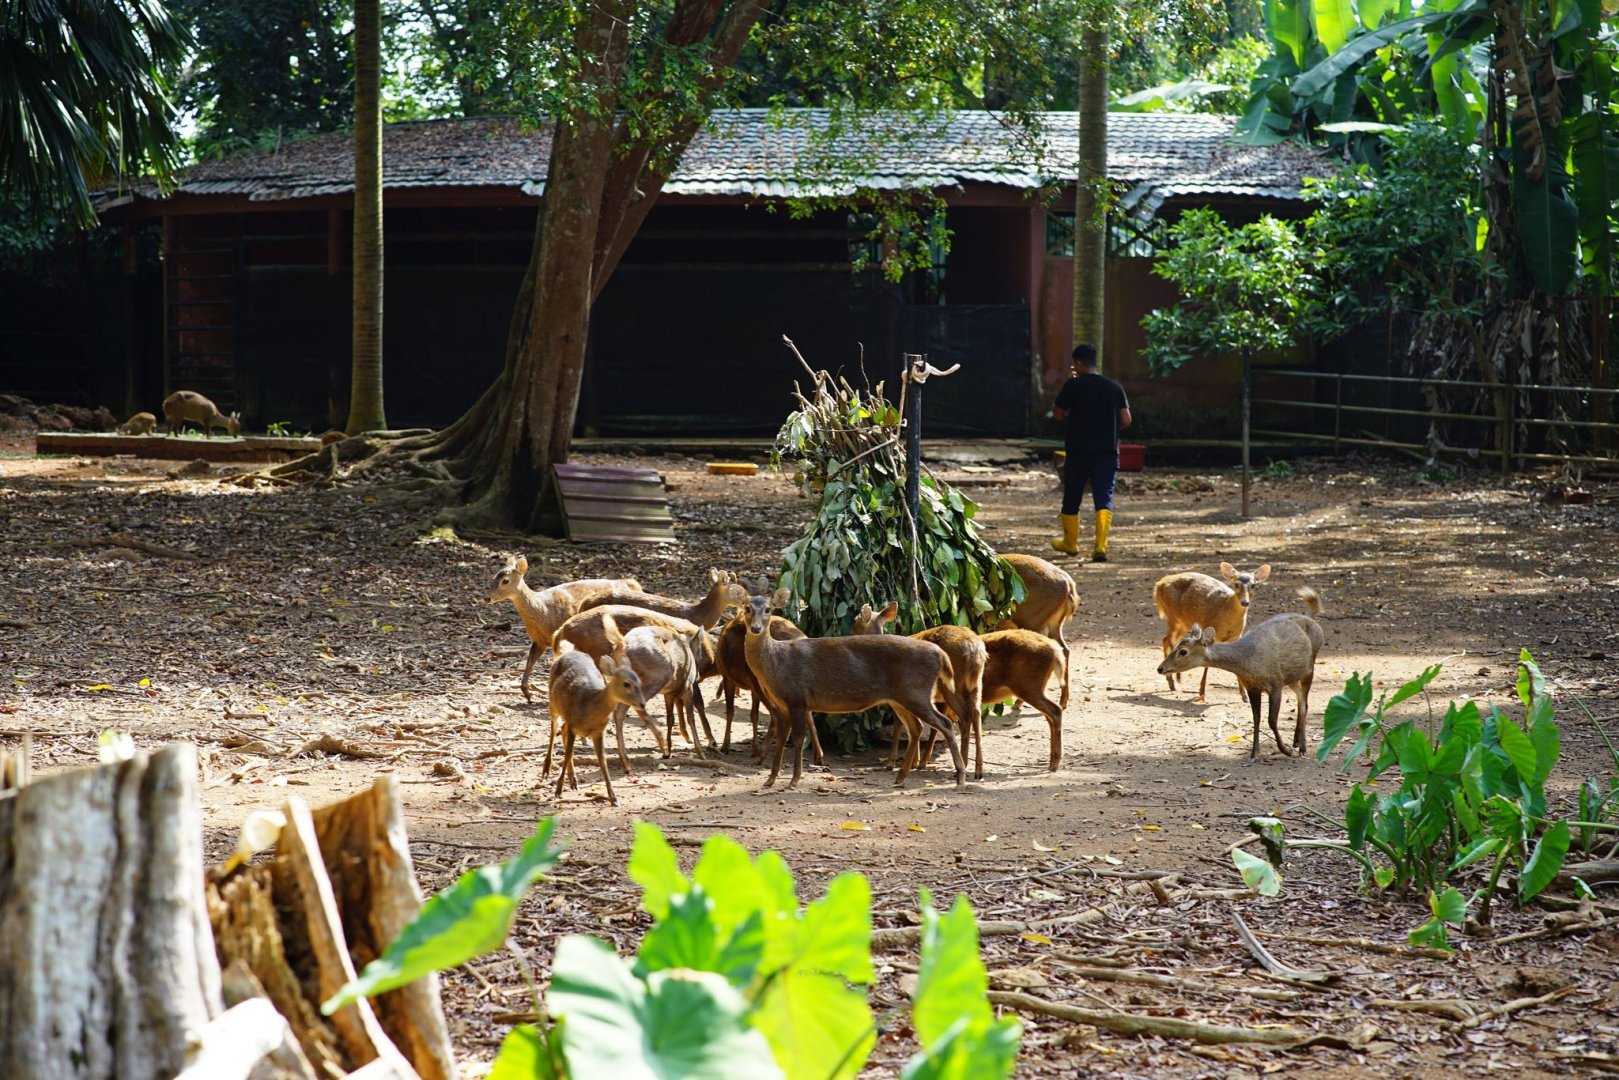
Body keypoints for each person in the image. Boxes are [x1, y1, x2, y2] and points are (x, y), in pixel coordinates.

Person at [1050, 343, 1132, 562]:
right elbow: (1126, 420)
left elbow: (1057, 414)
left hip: (1078, 452)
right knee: (1103, 497)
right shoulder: (1114, 387)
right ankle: (1101, 546)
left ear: (1078, 363)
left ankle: (1070, 543)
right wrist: (1107, 427)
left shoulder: (1073, 385)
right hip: (1106, 452)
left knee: (1072, 496)